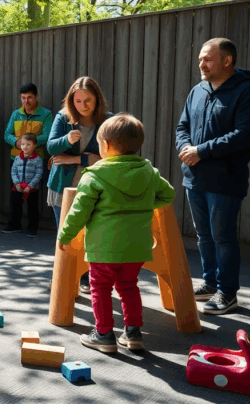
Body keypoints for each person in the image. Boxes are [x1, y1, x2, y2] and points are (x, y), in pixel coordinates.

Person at [58, 114, 175, 353]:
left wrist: (65, 235)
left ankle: (104, 334)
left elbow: (79, 212)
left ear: (107, 146)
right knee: (129, 286)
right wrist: (143, 206)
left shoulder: (95, 175)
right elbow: (168, 194)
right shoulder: (148, 172)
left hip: (104, 248)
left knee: (100, 288)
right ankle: (133, 333)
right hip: (137, 248)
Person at [175, 38, 250, 315]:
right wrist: (185, 148)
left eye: (208, 59)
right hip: (194, 177)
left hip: (226, 180)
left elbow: (244, 134)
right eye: (200, 59)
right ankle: (210, 283)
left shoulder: (248, 92)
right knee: (204, 236)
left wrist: (201, 151)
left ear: (227, 60)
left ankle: (227, 292)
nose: (201, 64)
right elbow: (182, 127)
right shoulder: (198, 90)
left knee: (222, 237)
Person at [44, 77, 111, 293]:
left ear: (97, 99)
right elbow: (51, 148)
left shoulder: (108, 120)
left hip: (94, 188)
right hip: (63, 187)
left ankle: (86, 278)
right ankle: (62, 278)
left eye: (88, 100)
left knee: (91, 235)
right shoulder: (63, 117)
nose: (83, 106)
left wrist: (75, 159)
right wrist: (66, 140)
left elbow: (106, 157)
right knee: (65, 235)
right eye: (78, 101)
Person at [5, 133, 43, 237]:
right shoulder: (17, 158)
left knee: (32, 208)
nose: (25, 147)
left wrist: (30, 186)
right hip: (18, 187)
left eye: (28, 144)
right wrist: (17, 183)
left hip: (32, 189)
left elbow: (38, 174)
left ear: (35, 145)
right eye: (23, 144)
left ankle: (32, 228)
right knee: (15, 206)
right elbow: (13, 171)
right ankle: (14, 225)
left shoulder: (38, 160)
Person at [4, 83, 53, 161]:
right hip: (16, 159)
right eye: (23, 98)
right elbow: (7, 134)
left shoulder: (46, 114)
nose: (26, 101)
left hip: (37, 160)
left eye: (29, 97)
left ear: (36, 96)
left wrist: (27, 143)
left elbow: (47, 136)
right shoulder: (16, 114)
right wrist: (16, 142)